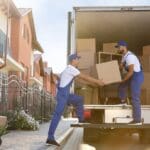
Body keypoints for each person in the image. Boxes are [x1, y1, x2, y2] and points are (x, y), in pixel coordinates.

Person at [46, 53, 104, 146]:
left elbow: (80, 80)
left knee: (79, 99)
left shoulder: (69, 69)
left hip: (65, 94)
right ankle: (50, 137)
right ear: (73, 60)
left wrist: (94, 84)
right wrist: (98, 81)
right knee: (57, 115)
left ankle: (81, 119)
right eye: (77, 59)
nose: (78, 61)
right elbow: (85, 77)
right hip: (63, 95)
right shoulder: (72, 69)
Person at [116, 40, 144, 125]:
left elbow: (131, 72)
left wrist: (123, 79)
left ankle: (137, 120)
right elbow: (120, 67)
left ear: (124, 47)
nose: (117, 49)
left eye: (119, 47)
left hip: (136, 76)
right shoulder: (124, 56)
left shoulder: (130, 57)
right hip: (132, 74)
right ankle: (123, 102)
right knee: (122, 85)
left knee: (135, 97)